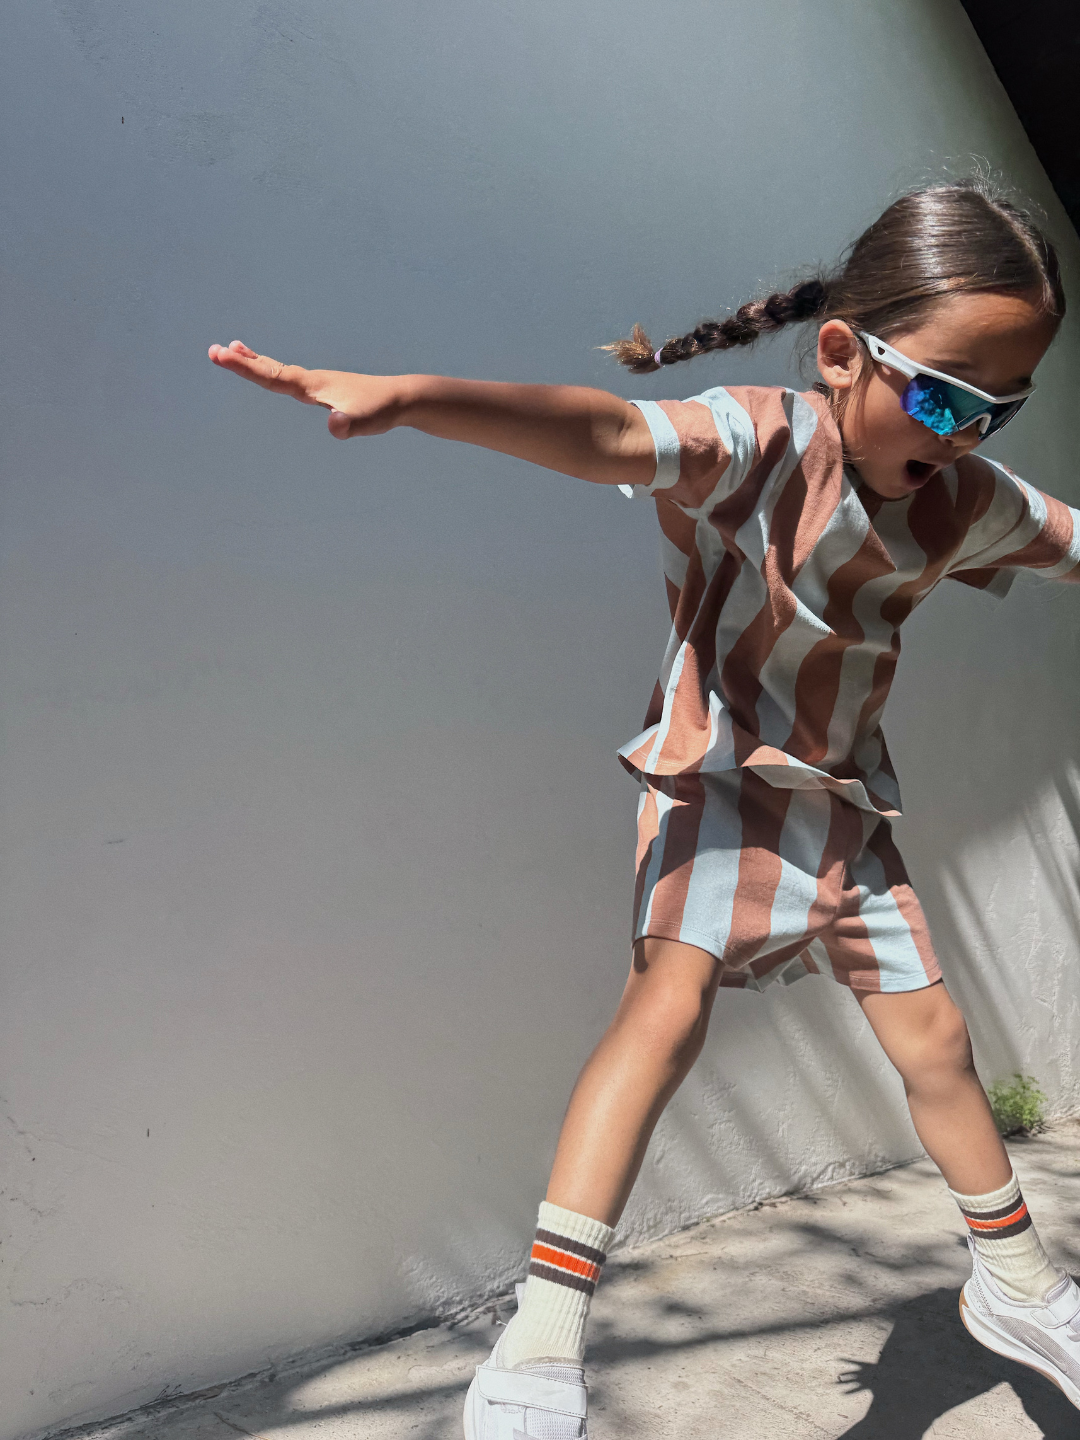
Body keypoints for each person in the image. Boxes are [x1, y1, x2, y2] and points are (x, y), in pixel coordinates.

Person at [209, 178, 1080, 1434]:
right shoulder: (758, 438)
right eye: (943, 396)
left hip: (844, 807)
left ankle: (1012, 1280)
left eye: (1003, 408)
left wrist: (976, 447)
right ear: (842, 352)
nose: (964, 434)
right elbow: (612, 435)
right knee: (665, 1014)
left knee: (935, 1040)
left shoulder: (962, 501)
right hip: (716, 781)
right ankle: (544, 1336)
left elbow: (1066, 533)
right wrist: (413, 399)